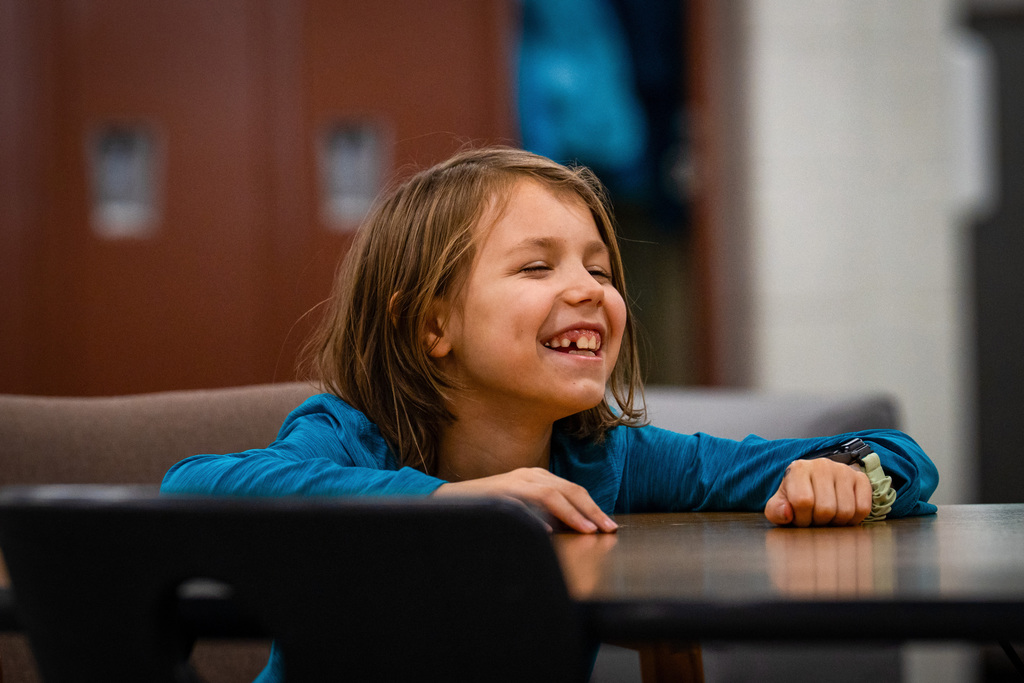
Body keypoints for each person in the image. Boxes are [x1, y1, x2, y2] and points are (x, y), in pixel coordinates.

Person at [162, 146, 938, 679]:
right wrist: (452, 506)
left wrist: (853, 476)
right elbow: (193, 486)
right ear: (431, 325)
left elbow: (900, 457)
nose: (588, 288)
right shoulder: (351, 435)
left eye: (599, 268)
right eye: (538, 266)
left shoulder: (610, 459)